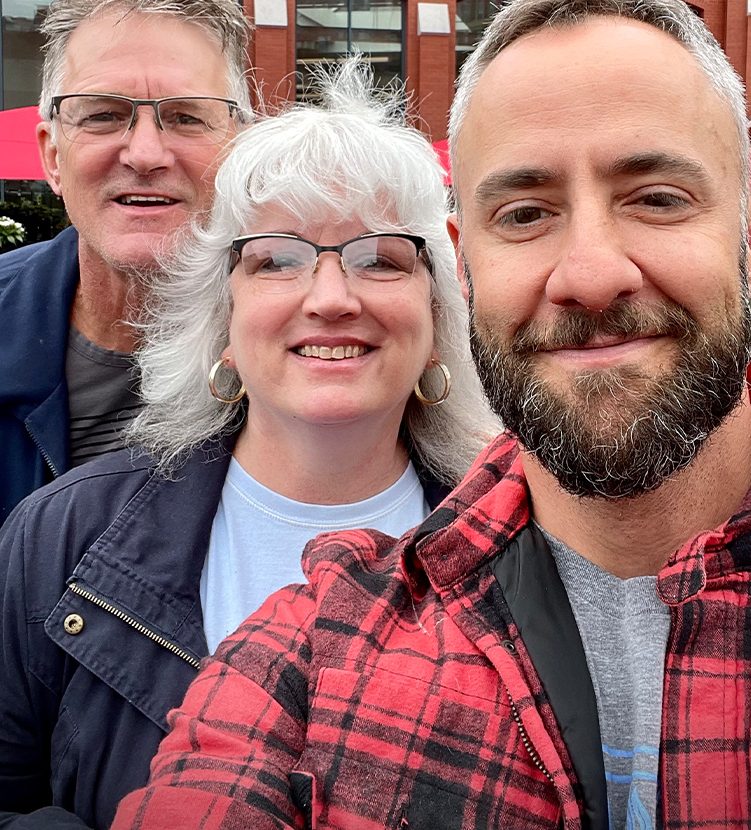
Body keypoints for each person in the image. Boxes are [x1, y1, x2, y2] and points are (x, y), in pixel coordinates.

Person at [113, 0, 751, 830]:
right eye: (524, 214)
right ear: (463, 263)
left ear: (749, 231)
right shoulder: (315, 654)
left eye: (657, 199)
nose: (588, 274)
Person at [0, 61, 493, 829]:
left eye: (379, 258)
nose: (331, 298)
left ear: (437, 311)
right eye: (278, 259)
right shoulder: (60, 538)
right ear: (221, 318)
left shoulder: (520, 545)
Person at [0, 0, 253, 523]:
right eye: (102, 115)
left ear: (239, 147)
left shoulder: (312, 339)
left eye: (187, 117)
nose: (144, 154)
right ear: (52, 156)